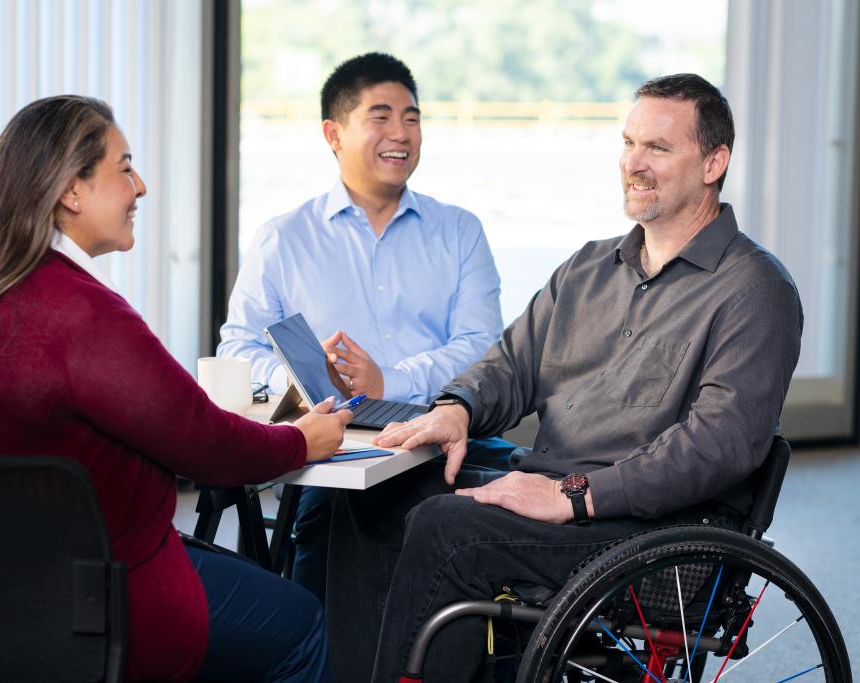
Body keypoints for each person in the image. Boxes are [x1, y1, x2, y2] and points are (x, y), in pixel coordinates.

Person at [325, 73, 804, 682]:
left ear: (715, 162)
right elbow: (512, 364)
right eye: (629, 143)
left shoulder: (754, 290)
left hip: (649, 533)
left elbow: (717, 447)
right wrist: (459, 408)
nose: (634, 163)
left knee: (449, 531)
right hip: (554, 493)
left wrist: (572, 496)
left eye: (658, 148)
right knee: (375, 499)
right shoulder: (587, 268)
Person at [0, 95, 351, 683]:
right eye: (124, 166)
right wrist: (300, 441)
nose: (141, 186)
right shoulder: (81, 314)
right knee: (298, 622)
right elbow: (208, 447)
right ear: (71, 191)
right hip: (86, 599)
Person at [218, 52, 509, 601]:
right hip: (336, 444)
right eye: (380, 116)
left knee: (475, 509)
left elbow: (484, 349)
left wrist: (387, 383)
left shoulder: (459, 232)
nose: (401, 133)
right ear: (334, 133)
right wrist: (305, 382)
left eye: (412, 117)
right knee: (330, 519)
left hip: (440, 432)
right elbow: (239, 346)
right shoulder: (284, 239)